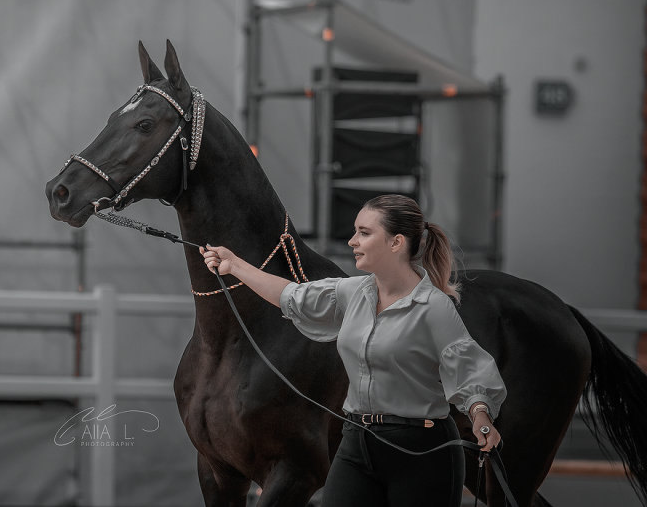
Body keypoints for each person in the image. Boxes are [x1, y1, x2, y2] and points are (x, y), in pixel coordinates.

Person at [200, 194, 506, 507]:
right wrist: (233, 265)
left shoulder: (434, 308)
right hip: (357, 441)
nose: (352, 241)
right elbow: (290, 295)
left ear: (395, 242)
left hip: (423, 451)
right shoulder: (352, 292)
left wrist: (480, 413)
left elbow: (469, 368)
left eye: (364, 232)